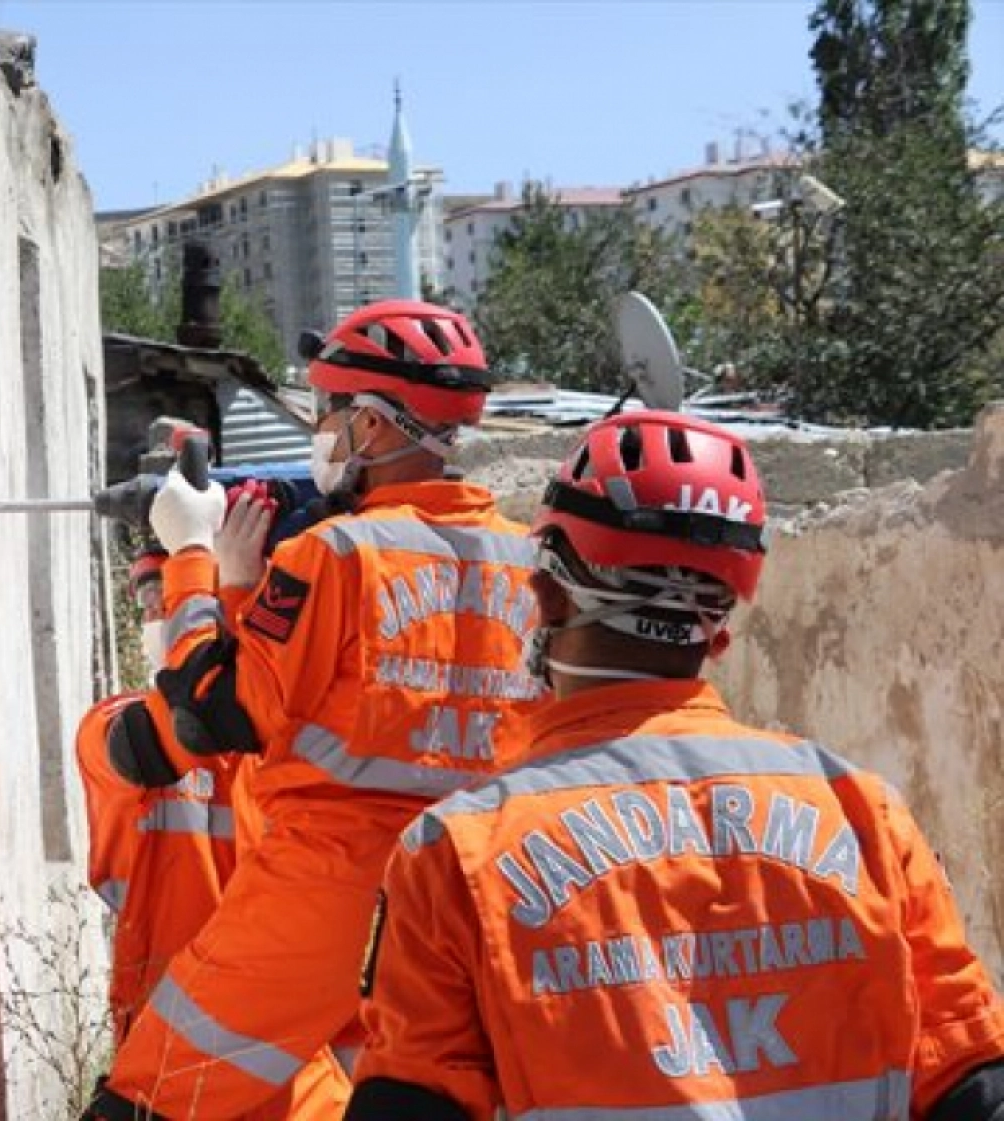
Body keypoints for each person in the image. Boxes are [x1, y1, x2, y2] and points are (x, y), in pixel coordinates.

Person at [348, 409, 1004, 1120]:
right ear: (719, 632)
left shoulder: (456, 851)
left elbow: (410, 1101)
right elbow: (971, 1083)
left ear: (548, 595)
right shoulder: (862, 812)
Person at [83, 299, 545, 1119]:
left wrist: (192, 558)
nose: (319, 428)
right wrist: (243, 585)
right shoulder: (526, 567)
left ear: (369, 426)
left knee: (155, 1097)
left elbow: (206, 719)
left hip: (321, 900)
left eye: (327, 410)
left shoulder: (330, 555)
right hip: (463, 908)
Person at [77, 545, 351, 1120]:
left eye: (164, 600)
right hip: (178, 1073)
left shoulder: (298, 743)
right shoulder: (118, 730)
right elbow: (161, 738)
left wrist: (195, 568)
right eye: (149, 600)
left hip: (274, 1086)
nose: (155, 614)